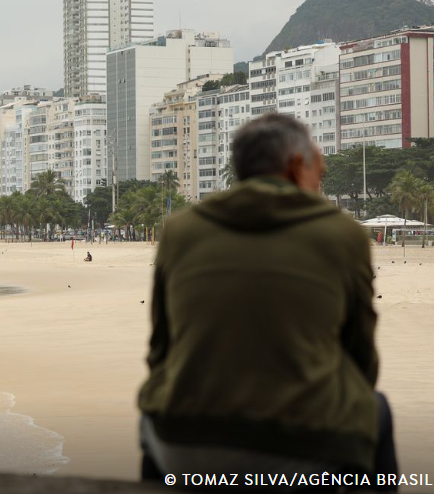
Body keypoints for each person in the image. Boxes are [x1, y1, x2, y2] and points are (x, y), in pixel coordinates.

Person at [137, 114, 396, 488]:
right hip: (307, 451)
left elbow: (160, 349)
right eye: (319, 176)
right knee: (377, 409)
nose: (319, 187)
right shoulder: (341, 233)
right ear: (294, 167)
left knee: (155, 410)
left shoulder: (181, 229)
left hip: (186, 446)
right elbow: (362, 358)